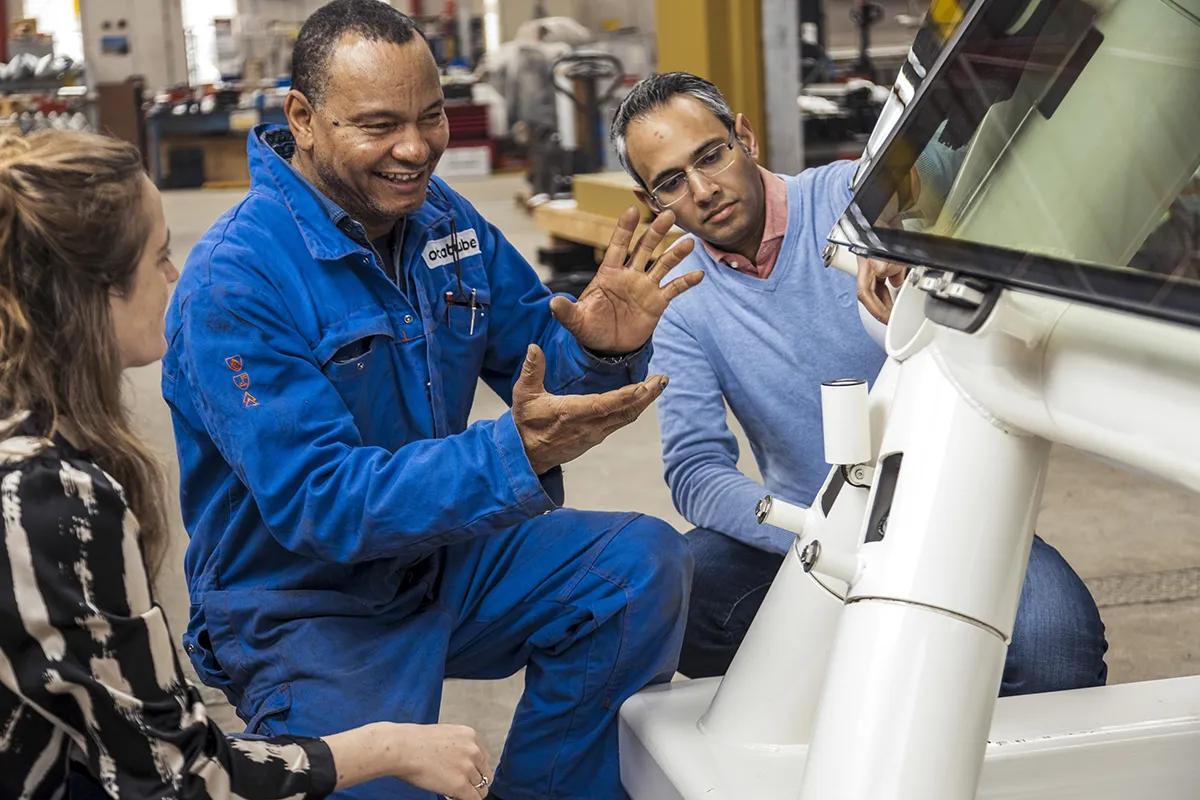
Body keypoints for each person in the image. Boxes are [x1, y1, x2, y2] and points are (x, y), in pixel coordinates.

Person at [163, 3, 702, 799]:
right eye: (379, 125)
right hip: (306, 603)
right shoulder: (233, 282)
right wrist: (513, 452)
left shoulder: (442, 221)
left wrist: (597, 345)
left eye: (431, 115)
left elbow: (537, 370)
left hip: (435, 558)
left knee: (638, 566)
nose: (415, 149)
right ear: (303, 119)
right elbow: (325, 503)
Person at [0, 130, 497, 800]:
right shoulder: (52, 498)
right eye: (160, 255)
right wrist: (389, 747)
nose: (176, 275)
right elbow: (179, 778)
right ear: (97, 289)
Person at [608, 72, 1109, 692]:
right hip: (808, 538)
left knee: (1055, 647)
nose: (704, 189)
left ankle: (889, 680)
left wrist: (900, 230)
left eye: (711, 155)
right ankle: (876, 682)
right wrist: (807, 527)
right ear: (648, 198)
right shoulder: (679, 298)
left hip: (951, 509)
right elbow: (695, 469)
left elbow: (960, 154)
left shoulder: (854, 193)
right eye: (671, 182)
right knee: (678, 595)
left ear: (746, 137)